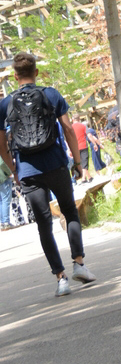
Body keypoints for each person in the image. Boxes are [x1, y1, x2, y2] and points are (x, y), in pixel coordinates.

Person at [0, 51, 96, 295]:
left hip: (27, 171)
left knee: (43, 224)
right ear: (36, 72)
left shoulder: (5, 104)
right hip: (55, 164)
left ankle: (60, 278)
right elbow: (68, 129)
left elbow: (1, 144)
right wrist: (77, 162)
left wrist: (14, 170)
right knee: (69, 211)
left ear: (15, 76)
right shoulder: (51, 94)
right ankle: (79, 264)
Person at [0, 151, 12, 230]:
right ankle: (6, 222)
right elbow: (1, 163)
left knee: (1, 201)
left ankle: (2, 223)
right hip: (2, 178)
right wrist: (9, 172)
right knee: (5, 200)